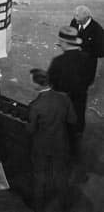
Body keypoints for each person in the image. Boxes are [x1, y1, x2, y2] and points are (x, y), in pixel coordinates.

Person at [27, 68, 76, 212]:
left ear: (37, 84)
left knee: (39, 176)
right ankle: (64, 205)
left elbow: (30, 130)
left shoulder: (35, 106)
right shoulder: (64, 98)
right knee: (61, 176)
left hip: (41, 146)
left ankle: (38, 206)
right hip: (61, 143)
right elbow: (72, 120)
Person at [48, 26, 92, 139]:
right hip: (80, 97)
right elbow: (89, 79)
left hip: (63, 102)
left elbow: (50, 82)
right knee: (77, 121)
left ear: (64, 43)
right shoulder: (87, 58)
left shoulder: (58, 62)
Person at [70, 5, 104, 87]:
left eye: (79, 20)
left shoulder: (97, 30)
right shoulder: (74, 21)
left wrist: (83, 50)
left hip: (88, 66)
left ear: (87, 18)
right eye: (75, 18)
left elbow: (101, 52)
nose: (76, 22)